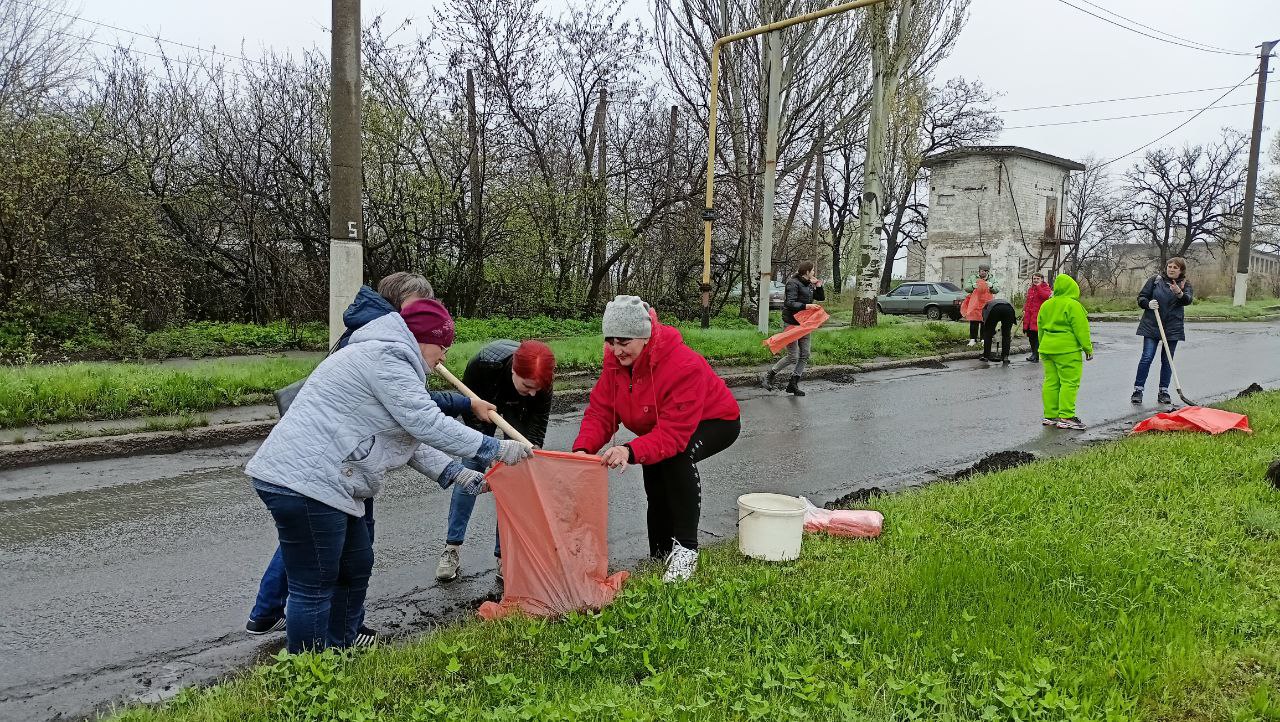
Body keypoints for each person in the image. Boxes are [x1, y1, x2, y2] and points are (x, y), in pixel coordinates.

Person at [245, 299, 532, 653]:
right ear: (422, 338)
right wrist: (495, 449)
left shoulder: (395, 362)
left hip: (328, 481)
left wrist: (457, 474)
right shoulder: (387, 357)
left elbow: (406, 435)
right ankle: (308, 677)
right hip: (305, 479)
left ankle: (340, 648)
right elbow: (427, 424)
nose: (444, 357)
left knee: (355, 564)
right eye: (442, 347)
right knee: (315, 584)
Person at [572, 295, 740, 583]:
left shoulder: (683, 365)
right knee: (654, 474)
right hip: (660, 426)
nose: (616, 350)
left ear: (644, 337)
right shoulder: (615, 365)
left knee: (676, 456)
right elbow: (602, 411)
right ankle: (660, 553)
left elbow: (674, 435)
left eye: (624, 342)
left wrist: (629, 449)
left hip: (715, 421)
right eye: (611, 341)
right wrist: (583, 449)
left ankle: (687, 550)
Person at [435, 339, 556, 583]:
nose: (533, 392)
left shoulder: (541, 385)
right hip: (484, 401)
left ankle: (504, 556)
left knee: (512, 481)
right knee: (469, 471)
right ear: (514, 371)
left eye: (537, 389)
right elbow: (472, 418)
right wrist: (489, 451)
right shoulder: (483, 366)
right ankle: (452, 548)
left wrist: (529, 452)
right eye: (528, 386)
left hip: (517, 411)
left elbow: (536, 428)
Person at [1130, 258, 1194, 406]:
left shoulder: (1185, 284)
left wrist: (1179, 293)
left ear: (1181, 270)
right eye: (1169, 266)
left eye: (1175, 268)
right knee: (1147, 357)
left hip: (1172, 327)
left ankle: (1163, 392)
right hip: (1152, 325)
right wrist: (1147, 304)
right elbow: (1141, 297)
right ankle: (1138, 390)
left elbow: (1188, 300)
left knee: (1167, 361)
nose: (1171, 269)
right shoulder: (1155, 280)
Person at [1036, 274, 1094, 430]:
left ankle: (1050, 415)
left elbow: (1040, 327)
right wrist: (1088, 348)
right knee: (1069, 382)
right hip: (1067, 350)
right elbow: (1081, 329)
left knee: (1051, 382)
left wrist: (1042, 345)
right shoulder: (1073, 305)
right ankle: (1066, 416)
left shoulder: (1046, 305)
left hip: (1047, 348)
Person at [761, 262, 825, 396]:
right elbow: (790, 303)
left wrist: (818, 285)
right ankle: (769, 375)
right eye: (812, 270)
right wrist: (807, 306)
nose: (814, 273)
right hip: (791, 323)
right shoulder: (792, 283)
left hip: (804, 324)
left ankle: (793, 383)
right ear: (806, 271)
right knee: (792, 356)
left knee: (805, 354)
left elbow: (821, 298)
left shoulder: (808, 284)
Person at [962, 264, 1000, 346]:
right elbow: (966, 288)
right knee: (973, 321)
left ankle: (983, 339)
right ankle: (973, 339)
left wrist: (992, 286)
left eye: (986, 271)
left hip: (987, 303)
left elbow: (997, 289)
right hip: (975, 303)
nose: (984, 273)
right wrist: (972, 286)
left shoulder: (992, 279)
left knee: (984, 321)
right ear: (979, 271)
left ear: (988, 272)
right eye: (982, 271)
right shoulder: (973, 278)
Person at [1022, 272, 1052, 362]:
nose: (1035, 280)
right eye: (1034, 279)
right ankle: (1033, 354)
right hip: (1029, 316)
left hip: (1039, 316)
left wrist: (1038, 287)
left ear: (1042, 279)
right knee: (1031, 336)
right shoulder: (1031, 289)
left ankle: (1036, 355)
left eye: (1037, 279)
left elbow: (1045, 296)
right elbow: (1028, 301)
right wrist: (1024, 310)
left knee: (1037, 336)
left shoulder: (1046, 288)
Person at [979, 297, 1016, 365]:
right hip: (1009, 309)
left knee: (988, 333)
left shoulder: (985, 308)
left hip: (995, 309)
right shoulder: (991, 304)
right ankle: (1005, 357)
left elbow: (986, 323)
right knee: (1006, 334)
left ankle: (986, 356)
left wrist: (991, 332)